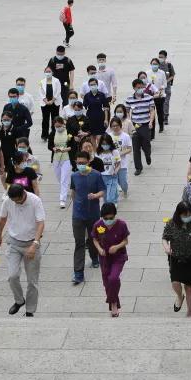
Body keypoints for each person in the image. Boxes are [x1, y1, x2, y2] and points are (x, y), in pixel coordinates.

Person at [0, 184, 45, 317]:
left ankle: (30, 310)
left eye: (19, 200)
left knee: (32, 281)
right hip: (14, 242)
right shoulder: (8, 201)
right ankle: (19, 300)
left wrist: (35, 244)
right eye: (14, 201)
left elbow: (40, 223)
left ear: (24, 193)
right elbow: (2, 219)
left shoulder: (35, 201)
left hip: (31, 243)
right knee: (12, 276)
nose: (17, 203)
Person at [70, 151, 106, 283]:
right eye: (78, 163)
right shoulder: (74, 176)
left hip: (93, 213)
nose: (81, 165)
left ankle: (95, 257)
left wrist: (96, 196)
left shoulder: (96, 175)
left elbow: (102, 190)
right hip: (78, 215)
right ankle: (78, 273)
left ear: (89, 161)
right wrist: (76, 206)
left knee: (92, 238)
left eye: (83, 163)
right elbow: (73, 192)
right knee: (79, 243)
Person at [162, 201, 191, 318]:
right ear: (178, 214)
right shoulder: (171, 224)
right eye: (184, 215)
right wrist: (166, 247)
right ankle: (180, 296)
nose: (187, 217)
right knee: (175, 282)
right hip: (175, 258)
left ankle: (189, 311)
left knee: (189, 287)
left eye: (189, 214)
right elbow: (165, 237)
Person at [92, 203, 129, 317]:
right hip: (104, 258)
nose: (108, 221)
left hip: (118, 256)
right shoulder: (98, 225)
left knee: (113, 278)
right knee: (107, 282)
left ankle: (113, 303)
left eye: (111, 218)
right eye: (106, 218)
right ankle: (115, 301)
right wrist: (99, 249)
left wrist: (117, 247)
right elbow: (94, 239)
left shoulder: (122, 225)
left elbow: (125, 241)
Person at [124, 78, 156, 176]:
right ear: (134, 88)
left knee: (146, 144)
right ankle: (138, 167)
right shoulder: (129, 99)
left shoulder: (148, 97)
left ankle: (147, 155)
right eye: (138, 87)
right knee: (136, 147)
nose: (140, 89)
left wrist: (151, 121)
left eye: (142, 87)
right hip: (134, 125)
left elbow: (152, 110)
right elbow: (127, 112)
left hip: (145, 124)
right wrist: (129, 122)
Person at [47, 117, 72, 209]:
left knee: (64, 179)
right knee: (59, 177)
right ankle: (66, 188)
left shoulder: (68, 132)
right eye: (56, 126)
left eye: (60, 126)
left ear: (63, 124)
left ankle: (62, 199)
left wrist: (66, 149)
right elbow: (49, 145)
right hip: (56, 158)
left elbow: (72, 145)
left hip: (67, 158)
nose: (58, 128)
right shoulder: (53, 133)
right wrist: (54, 148)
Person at [107, 117, 132, 199]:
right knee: (113, 181)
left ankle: (125, 190)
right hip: (111, 164)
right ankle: (114, 198)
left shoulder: (126, 136)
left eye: (117, 125)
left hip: (122, 163)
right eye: (113, 126)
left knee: (123, 182)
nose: (115, 127)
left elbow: (129, 149)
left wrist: (120, 153)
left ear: (120, 126)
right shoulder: (108, 136)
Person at [82, 77, 111, 142]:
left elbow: (106, 107)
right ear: (89, 86)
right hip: (90, 118)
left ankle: (99, 151)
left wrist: (106, 119)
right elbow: (84, 108)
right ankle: (94, 152)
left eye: (94, 84)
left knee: (99, 138)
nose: (93, 86)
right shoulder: (87, 95)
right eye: (91, 85)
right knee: (92, 137)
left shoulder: (101, 95)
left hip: (100, 117)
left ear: (97, 85)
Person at [97, 133, 122, 205]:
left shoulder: (115, 152)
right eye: (103, 143)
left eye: (106, 143)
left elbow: (119, 163)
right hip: (102, 177)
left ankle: (113, 203)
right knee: (105, 198)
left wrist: (116, 170)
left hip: (112, 176)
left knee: (109, 198)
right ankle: (112, 201)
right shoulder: (98, 153)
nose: (105, 145)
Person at [146, 58, 168, 135]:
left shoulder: (162, 73)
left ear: (158, 65)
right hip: (151, 96)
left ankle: (161, 126)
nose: (154, 65)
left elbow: (165, 83)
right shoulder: (148, 73)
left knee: (160, 111)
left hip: (160, 95)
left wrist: (161, 87)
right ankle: (152, 130)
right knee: (152, 112)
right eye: (153, 64)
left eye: (156, 64)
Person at [39, 70, 62, 141]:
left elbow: (58, 91)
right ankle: (44, 135)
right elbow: (41, 91)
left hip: (54, 102)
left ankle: (54, 134)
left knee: (54, 119)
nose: (48, 73)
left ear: (52, 72)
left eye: (49, 71)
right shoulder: (41, 81)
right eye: (46, 71)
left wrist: (52, 100)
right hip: (45, 103)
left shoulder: (57, 80)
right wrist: (45, 100)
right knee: (45, 119)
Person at [158, 50, 176, 125]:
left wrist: (166, 81)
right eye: (159, 57)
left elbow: (172, 75)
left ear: (165, 57)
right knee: (159, 103)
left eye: (162, 57)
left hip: (167, 88)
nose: (160, 58)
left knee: (166, 102)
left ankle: (165, 117)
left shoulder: (169, 65)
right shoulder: (157, 65)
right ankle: (160, 116)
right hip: (158, 88)